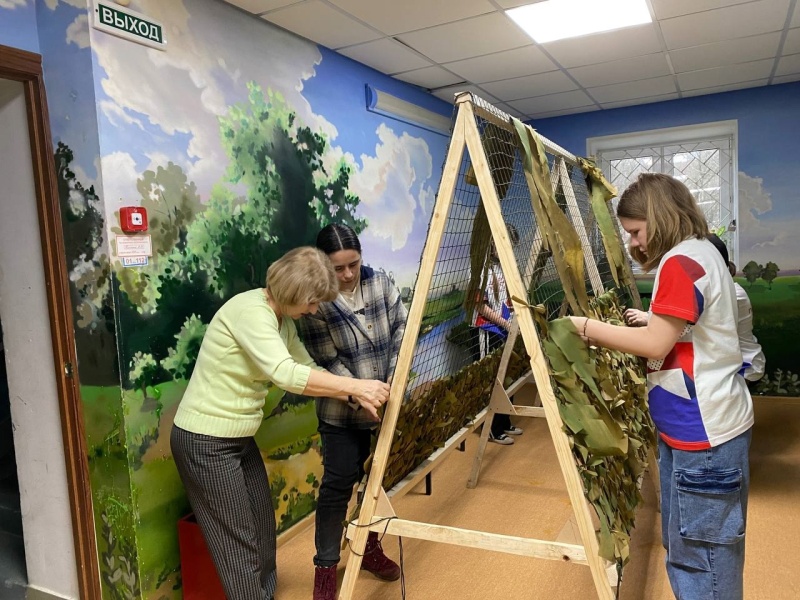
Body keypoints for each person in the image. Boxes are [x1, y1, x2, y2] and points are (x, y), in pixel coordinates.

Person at [570, 173, 753, 600]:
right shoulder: (703, 252)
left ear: (658, 216)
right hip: (702, 426)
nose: (634, 243)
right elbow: (687, 330)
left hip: (702, 435)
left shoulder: (679, 263)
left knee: (701, 559)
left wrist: (586, 328)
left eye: (635, 231)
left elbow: (656, 344)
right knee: (699, 546)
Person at [170, 246, 391, 600]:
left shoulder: (282, 321)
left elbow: (309, 370)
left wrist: (355, 396)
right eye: (313, 302)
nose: (315, 310)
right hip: (204, 441)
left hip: (238, 438)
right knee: (239, 545)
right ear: (295, 293)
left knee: (261, 526)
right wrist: (356, 385)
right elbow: (285, 374)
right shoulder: (250, 313)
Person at [297, 224, 406, 600]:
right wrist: (363, 397)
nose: (346, 275)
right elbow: (326, 361)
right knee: (338, 486)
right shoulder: (316, 303)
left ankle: (369, 547)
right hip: (341, 415)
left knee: (377, 482)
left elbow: (401, 333)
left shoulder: (382, 284)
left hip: (386, 406)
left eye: (353, 265)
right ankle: (325, 571)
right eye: (337, 268)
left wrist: (392, 382)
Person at [623, 233, 765, 382]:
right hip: (728, 361)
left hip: (744, 365)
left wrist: (648, 317)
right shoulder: (727, 287)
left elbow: (685, 323)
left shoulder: (733, 294)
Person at [473, 225, 523, 445]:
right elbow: (481, 308)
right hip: (488, 330)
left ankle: (504, 422)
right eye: (506, 244)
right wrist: (505, 322)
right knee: (491, 378)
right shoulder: (480, 270)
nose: (508, 249)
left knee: (506, 375)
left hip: (504, 328)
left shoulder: (504, 268)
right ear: (493, 243)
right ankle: (490, 428)